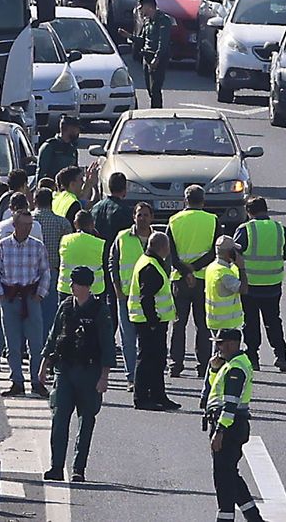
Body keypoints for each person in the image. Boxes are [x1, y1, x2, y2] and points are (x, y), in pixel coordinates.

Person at [42, 265, 113, 483]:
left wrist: (104, 377)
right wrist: (44, 363)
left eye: (75, 283)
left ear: (84, 286)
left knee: (86, 421)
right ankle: (56, 466)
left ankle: (78, 468)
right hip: (65, 370)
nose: (72, 287)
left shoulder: (99, 310)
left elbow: (107, 345)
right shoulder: (65, 307)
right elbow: (54, 337)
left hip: (89, 372)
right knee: (59, 418)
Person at [202, 328, 266, 522]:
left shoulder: (235, 368)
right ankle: (253, 517)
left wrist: (220, 431)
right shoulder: (230, 364)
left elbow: (230, 403)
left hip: (229, 425)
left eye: (220, 343)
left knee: (223, 478)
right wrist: (213, 369)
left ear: (231, 344)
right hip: (231, 424)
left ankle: (225, 518)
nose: (217, 347)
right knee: (229, 473)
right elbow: (215, 390)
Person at [0, 208, 50, 395]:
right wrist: (1, 295)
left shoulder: (37, 246)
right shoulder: (2, 246)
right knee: (13, 344)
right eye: (23, 225)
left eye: (29, 225)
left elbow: (45, 272)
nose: (26, 229)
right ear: (14, 225)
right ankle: (16, 381)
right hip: (9, 299)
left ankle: (36, 381)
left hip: (31, 299)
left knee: (35, 344)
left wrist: (39, 294)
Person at [234, 197, 286, 372]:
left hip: (249, 285)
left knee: (250, 322)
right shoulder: (280, 228)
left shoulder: (246, 229)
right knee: (273, 321)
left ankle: (253, 357)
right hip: (273, 284)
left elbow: (235, 252)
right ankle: (281, 356)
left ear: (248, 212)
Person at [169, 186, 217, 378]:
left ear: (185, 200)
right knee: (202, 325)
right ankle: (203, 365)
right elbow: (214, 251)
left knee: (178, 324)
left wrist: (185, 270)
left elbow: (170, 254)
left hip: (179, 280)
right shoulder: (212, 220)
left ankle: (176, 364)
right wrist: (195, 269)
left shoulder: (174, 221)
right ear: (203, 201)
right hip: (203, 279)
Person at [131, 231, 180, 411]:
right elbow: (146, 297)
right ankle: (142, 398)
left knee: (158, 360)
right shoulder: (150, 267)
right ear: (163, 248)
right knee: (147, 360)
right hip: (148, 322)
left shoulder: (151, 262)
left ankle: (159, 395)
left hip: (154, 321)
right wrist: (152, 321)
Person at [110, 202, 154, 384]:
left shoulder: (158, 238)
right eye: (139, 215)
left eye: (145, 215)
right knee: (128, 340)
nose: (142, 218)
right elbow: (112, 263)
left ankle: (146, 377)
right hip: (127, 297)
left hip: (151, 297)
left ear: (152, 217)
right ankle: (132, 378)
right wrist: (118, 290)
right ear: (133, 217)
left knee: (149, 340)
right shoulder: (123, 237)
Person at [33, 185, 75, 357]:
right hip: (53, 271)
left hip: (31, 273)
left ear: (35, 201)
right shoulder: (62, 223)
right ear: (51, 202)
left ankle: (32, 349)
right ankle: (47, 350)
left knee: (31, 315)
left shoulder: (29, 221)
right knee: (50, 315)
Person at [205, 237, 247, 347]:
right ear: (230, 253)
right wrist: (242, 267)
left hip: (216, 322)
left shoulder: (212, 267)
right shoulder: (224, 273)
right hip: (226, 324)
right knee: (224, 356)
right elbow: (243, 289)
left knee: (218, 356)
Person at [135, 0, 174, 108]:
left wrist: (157, 58)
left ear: (149, 7)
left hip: (158, 59)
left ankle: (157, 113)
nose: (140, 9)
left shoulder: (163, 20)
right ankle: (154, 108)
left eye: (142, 6)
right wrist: (129, 36)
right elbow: (143, 39)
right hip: (146, 57)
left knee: (155, 89)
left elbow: (163, 41)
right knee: (150, 89)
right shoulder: (147, 21)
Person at [91, 170, 132, 243]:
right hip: (114, 251)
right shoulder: (125, 211)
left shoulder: (95, 208)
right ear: (125, 189)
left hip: (96, 250)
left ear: (109, 187)